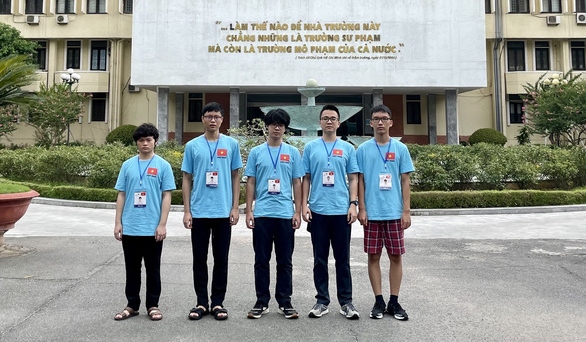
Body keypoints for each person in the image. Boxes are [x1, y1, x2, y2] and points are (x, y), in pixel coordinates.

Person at [181, 102, 242, 321]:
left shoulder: (231, 145)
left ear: (222, 119)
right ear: (203, 119)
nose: (213, 120)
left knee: (221, 259)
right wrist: (187, 210)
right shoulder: (193, 146)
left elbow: (236, 176)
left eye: (217, 116)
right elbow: (186, 178)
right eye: (209, 116)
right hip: (199, 212)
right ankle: (201, 302)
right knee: (199, 259)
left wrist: (235, 207)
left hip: (223, 212)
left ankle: (217, 302)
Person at [301, 104, 360, 320]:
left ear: (339, 122)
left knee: (343, 259)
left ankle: (346, 302)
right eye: (325, 118)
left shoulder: (347, 148)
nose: (329, 121)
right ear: (320, 122)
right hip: (318, 211)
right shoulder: (310, 148)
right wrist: (304, 205)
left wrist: (353, 203)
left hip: (341, 211)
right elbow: (305, 177)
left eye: (333, 118)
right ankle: (321, 301)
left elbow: (353, 177)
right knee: (320, 259)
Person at [356, 104, 414, 321]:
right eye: (376, 119)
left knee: (396, 256)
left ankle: (394, 300)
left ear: (391, 122)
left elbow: (405, 181)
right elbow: (360, 181)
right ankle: (378, 300)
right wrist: (362, 208)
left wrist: (406, 211)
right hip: (371, 213)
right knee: (373, 256)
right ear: (370, 123)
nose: (380, 122)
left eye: (384, 118)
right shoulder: (362, 150)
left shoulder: (400, 149)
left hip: (394, 213)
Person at [244, 108, 303, 319]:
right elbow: (250, 181)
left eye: (281, 125)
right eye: (273, 124)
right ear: (266, 126)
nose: (277, 128)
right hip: (262, 214)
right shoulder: (256, 152)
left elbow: (297, 182)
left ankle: (285, 302)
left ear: (285, 128)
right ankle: (261, 301)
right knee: (261, 260)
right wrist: (249, 210)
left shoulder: (292, 153)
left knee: (285, 261)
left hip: (285, 214)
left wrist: (298, 211)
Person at [113, 123, 176, 321]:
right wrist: (118, 223)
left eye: (149, 140)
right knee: (131, 269)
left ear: (155, 141)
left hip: (152, 227)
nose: (145, 143)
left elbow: (167, 196)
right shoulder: (127, 165)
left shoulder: (163, 165)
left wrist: (162, 224)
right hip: (131, 226)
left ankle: (153, 305)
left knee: (153, 268)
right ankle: (132, 305)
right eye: (141, 140)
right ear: (136, 143)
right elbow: (121, 194)